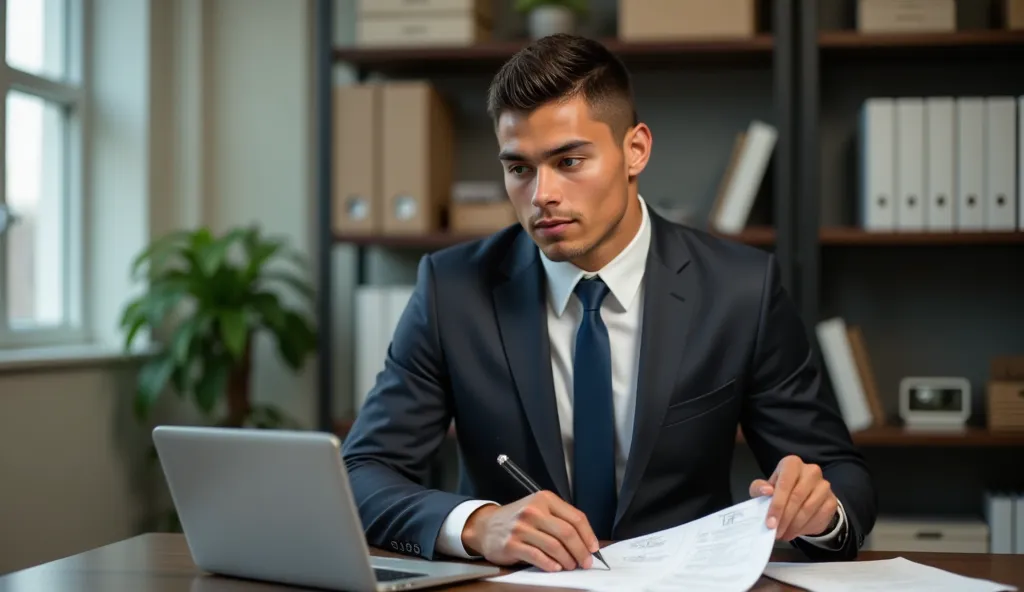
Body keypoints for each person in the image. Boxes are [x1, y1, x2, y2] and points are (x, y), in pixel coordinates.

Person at [341, 33, 876, 572]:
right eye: (520, 168)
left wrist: (817, 509)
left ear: (634, 150)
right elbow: (362, 473)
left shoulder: (741, 289)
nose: (542, 194)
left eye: (569, 161)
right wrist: (478, 525)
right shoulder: (452, 289)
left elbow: (842, 478)